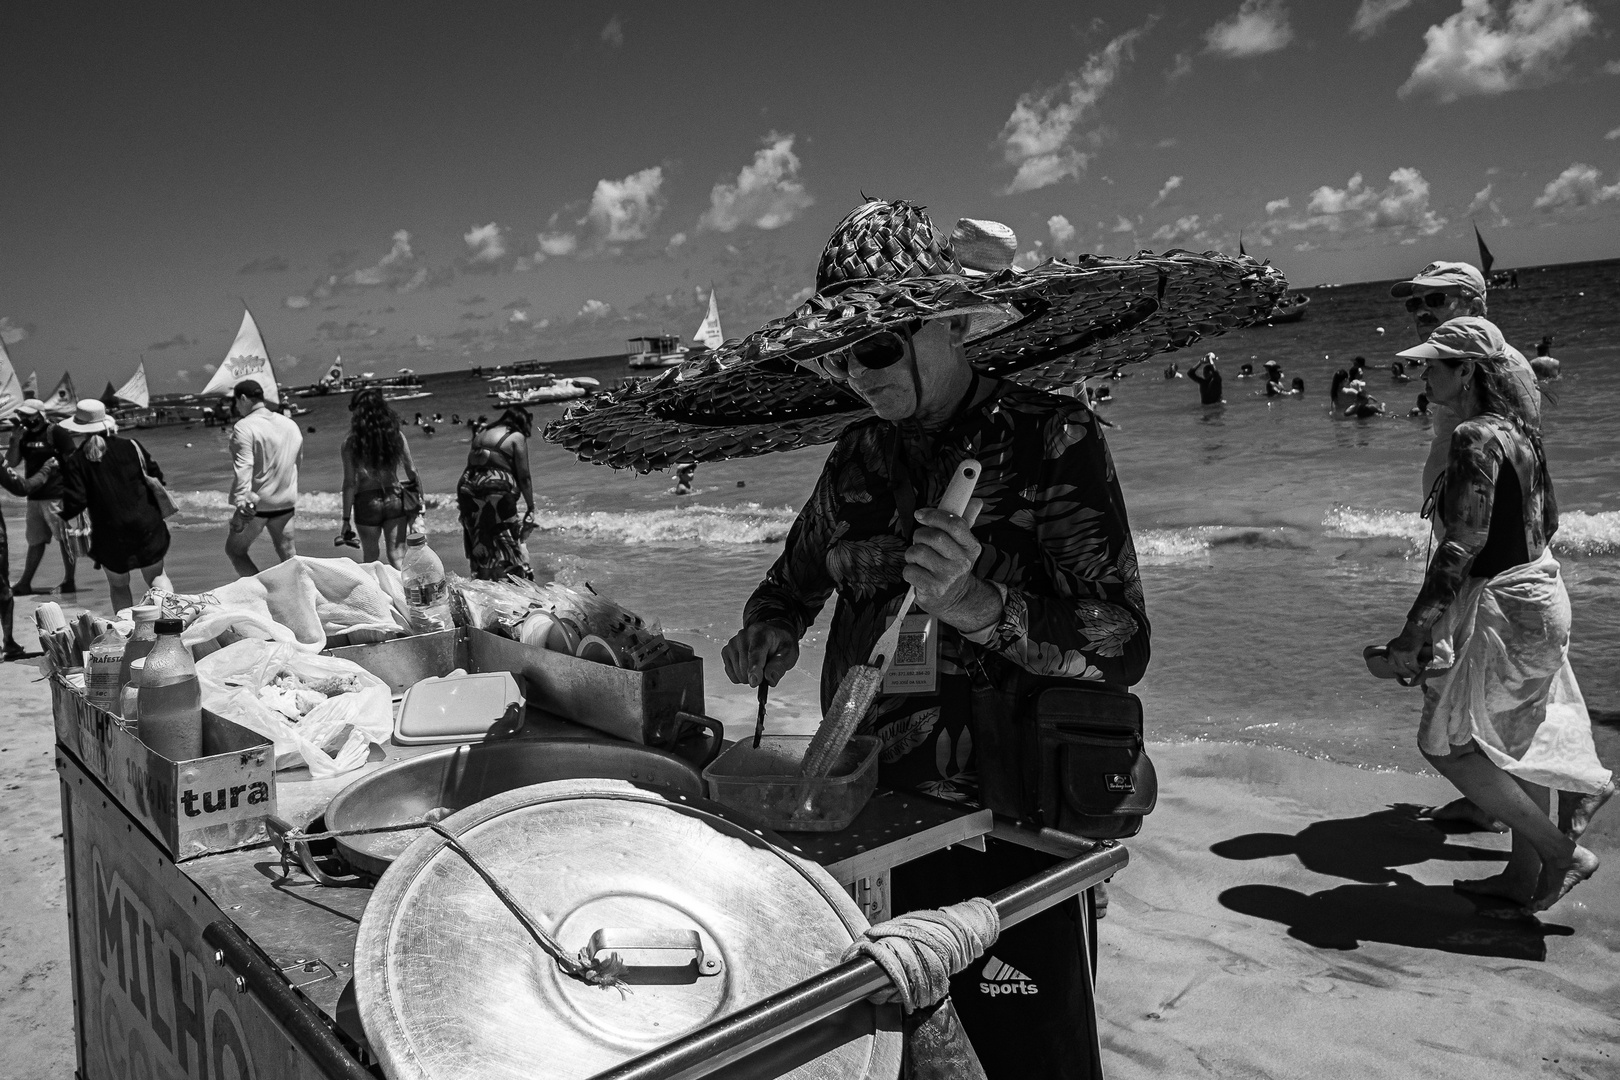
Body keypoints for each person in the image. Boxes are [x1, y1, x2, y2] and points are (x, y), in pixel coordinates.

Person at [1382, 318, 1611, 911]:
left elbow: (1462, 543)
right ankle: (1522, 876)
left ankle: (1563, 854)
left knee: (1444, 743)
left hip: (1507, 608)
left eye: (1435, 364)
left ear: (1468, 372)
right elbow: (1551, 523)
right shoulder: (1523, 433)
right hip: (1543, 595)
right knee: (1516, 739)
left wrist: (1415, 630)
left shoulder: (1474, 437)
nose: (1424, 373)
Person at [8, 400, 173, 613]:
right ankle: (171, 624)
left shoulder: (78, 459)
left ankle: (128, 632)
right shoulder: (132, 446)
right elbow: (156, 476)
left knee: (119, 585)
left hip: (109, 533)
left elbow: (76, 501)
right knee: (157, 577)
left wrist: (64, 514)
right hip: (146, 525)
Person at [225, 380, 304, 577]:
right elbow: (297, 463)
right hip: (285, 501)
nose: (236, 407)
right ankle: (300, 597)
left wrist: (240, 504)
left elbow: (244, 468)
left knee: (235, 551)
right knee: (289, 556)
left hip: (256, 505)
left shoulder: (244, 427)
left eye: (236, 402)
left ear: (242, 398)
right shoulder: (290, 424)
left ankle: (262, 594)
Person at [339, 388, 422, 567]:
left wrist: (345, 520)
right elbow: (412, 471)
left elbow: (349, 484)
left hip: (367, 503)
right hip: (394, 498)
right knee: (398, 555)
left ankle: (376, 595)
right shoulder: (396, 436)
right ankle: (405, 593)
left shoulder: (350, 443)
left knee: (370, 557)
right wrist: (419, 503)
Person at [4, 398, 78, 594]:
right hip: (33, 496)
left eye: (27, 415)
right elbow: (11, 462)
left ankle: (69, 580)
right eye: (21, 415)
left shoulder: (56, 432)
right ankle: (25, 583)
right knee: (35, 540)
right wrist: (15, 440)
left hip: (56, 495)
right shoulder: (24, 435)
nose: (23, 418)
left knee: (64, 539)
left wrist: (75, 491)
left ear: (39, 415)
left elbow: (72, 461)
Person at [457, 405, 535, 580]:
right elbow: (524, 477)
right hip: (495, 488)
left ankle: (483, 587)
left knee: (480, 539)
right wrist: (531, 507)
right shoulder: (516, 436)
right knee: (506, 541)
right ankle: (509, 587)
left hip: (467, 488)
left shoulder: (482, 433)